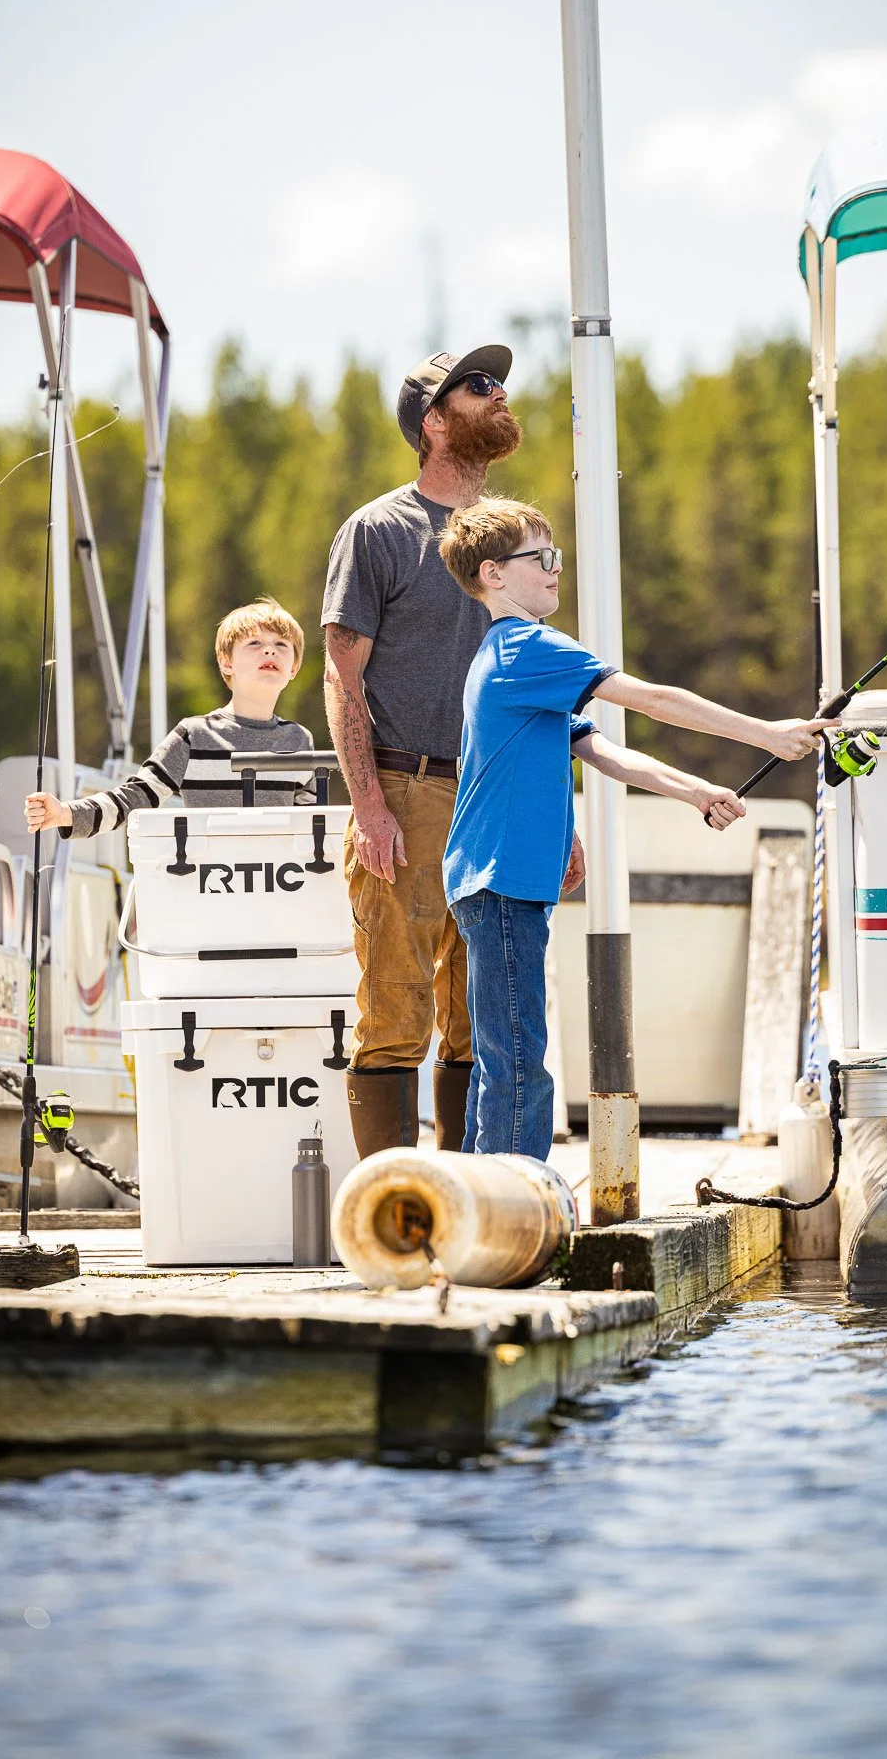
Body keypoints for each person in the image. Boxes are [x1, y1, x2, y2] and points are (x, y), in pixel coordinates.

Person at [437, 497, 837, 1161]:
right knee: (517, 1062)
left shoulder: (512, 658)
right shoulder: (527, 647)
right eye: (541, 557)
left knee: (506, 1057)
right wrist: (766, 734)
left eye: (556, 556)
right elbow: (652, 699)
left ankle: (493, 1202)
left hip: (502, 879)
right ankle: (514, 1204)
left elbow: (600, 751)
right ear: (493, 575)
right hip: (500, 879)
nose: (555, 569)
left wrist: (696, 791)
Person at [322, 345, 581, 1158]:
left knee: (484, 1015)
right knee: (397, 1013)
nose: (499, 393)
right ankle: (397, 1217)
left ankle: (474, 1199)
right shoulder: (379, 530)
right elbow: (342, 677)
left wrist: (559, 816)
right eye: (479, 386)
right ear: (434, 423)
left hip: (499, 802)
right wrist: (370, 806)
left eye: (499, 382)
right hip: (408, 789)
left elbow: (536, 690)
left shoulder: (509, 541)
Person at [24, 596, 313, 839]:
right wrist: (65, 814)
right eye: (254, 643)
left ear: (294, 668)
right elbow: (137, 798)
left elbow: (313, 825)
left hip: (278, 892)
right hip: (209, 889)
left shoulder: (299, 740)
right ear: (226, 663)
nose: (269, 649)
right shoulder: (194, 735)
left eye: (282, 644)